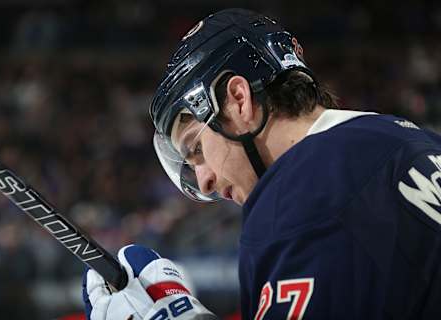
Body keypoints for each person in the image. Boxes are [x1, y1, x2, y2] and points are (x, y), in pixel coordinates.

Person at [83, 8, 441, 319]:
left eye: (196, 148)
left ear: (238, 100)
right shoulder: (408, 139)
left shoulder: (300, 191)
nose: (204, 180)